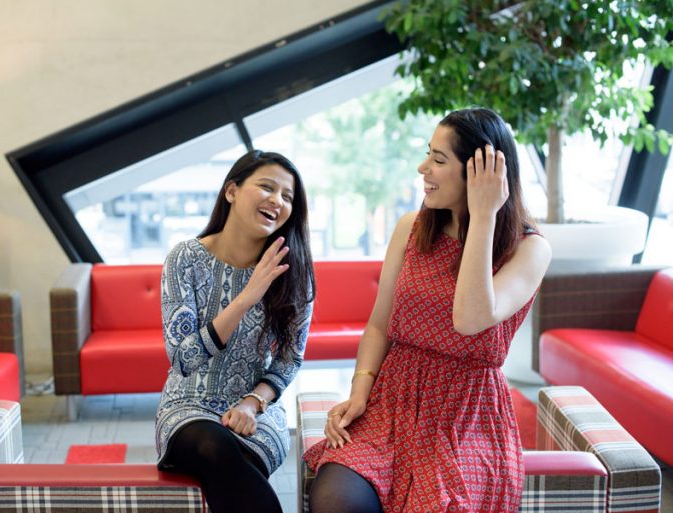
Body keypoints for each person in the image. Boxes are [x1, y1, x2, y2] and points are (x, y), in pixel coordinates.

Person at [305, 108, 552, 513]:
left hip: (467, 419)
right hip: (392, 404)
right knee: (336, 500)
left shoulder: (529, 249)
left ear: (480, 172)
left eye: (439, 160)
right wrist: (359, 392)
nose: (424, 169)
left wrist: (484, 213)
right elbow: (380, 326)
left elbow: (470, 318)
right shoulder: (412, 227)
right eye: (428, 155)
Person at [155, 150, 315, 513]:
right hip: (187, 407)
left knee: (230, 464)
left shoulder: (295, 269)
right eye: (267, 187)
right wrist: (246, 297)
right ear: (232, 191)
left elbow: (291, 359)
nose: (277, 201)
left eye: (287, 197)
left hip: (257, 410)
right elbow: (182, 358)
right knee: (214, 446)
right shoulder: (185, 258)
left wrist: (253, 402)